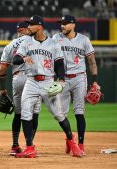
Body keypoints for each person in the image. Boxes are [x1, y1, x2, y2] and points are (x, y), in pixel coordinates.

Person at [13, 15, 82, 158]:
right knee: (25, 114)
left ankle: (72, 140)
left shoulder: (52, 44)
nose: (29, 27)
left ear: (39, 26)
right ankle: (30, 147)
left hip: (48, 82)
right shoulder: (26, 42)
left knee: (58, 115)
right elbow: (15, 59)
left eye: (31, 24)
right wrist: (24, 58)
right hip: (31, 81)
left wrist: (62, 79)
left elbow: (59, 64)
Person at [53, 15, 99, 155]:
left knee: (79, 111)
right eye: (61, 23)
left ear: (73, 25)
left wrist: (95, 80)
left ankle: (80, 144)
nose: (62, 26)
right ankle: (69, 138)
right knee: (60, 114)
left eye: (65, 23)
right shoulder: (56, 38)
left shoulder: (84, 40)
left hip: (79, 77)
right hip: (62, 79)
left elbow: (91, 61)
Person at [0, 22, 41, 156]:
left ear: (18, 31)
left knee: (18, 113)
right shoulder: (34, 41)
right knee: (34, 113)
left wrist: (3, 89)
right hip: (32, 78)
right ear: (26, 30)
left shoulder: (10, 45)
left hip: (17, 79)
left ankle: (15, 145)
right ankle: (30, 144)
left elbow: (2, 69)